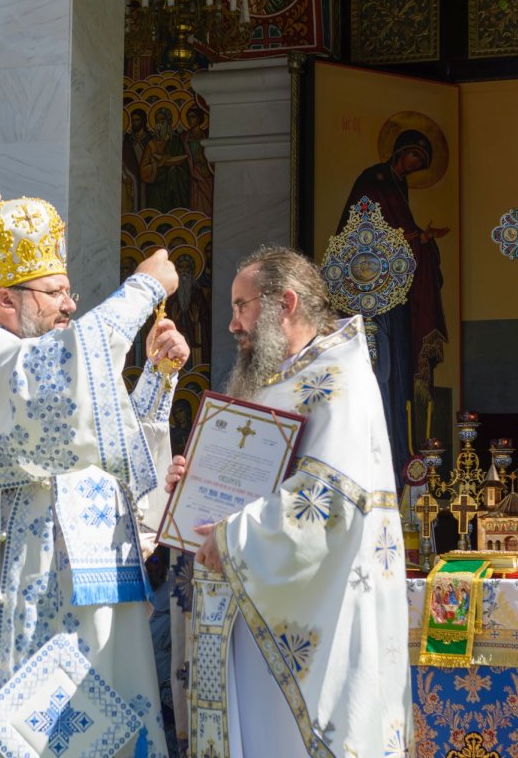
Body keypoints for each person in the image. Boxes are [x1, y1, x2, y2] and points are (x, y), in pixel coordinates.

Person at [0, 192, 188, 757]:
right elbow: (50, 391)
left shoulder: (24, 371)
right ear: (5, 298)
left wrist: (157, 378)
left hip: (83, 619)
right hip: (13, 631)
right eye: (55, 293)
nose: (70, 306)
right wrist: (142, 289)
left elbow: (102, 463)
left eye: (69, 292)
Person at [167, 245, 410, 757]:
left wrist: (232, 537)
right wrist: (193, 484)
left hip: (311, 618)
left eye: (241, 306)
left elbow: (330, 502)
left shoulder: (340, 380)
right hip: (252, 608)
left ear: (287, 303)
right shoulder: (276, 377)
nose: (232, 324)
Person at [337, 127, 449, 479]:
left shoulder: (399, 184)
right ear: (401, 150)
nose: (415, 165)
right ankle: (373, 454)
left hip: (394, 298)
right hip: (370, 297)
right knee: (379, 372)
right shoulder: (375, 180)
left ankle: (398, 452)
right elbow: (365, 234)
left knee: (397, 375)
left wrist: (422, 241)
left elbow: (399, 237)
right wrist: (416, 238)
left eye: (421, 162)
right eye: (415, 156)